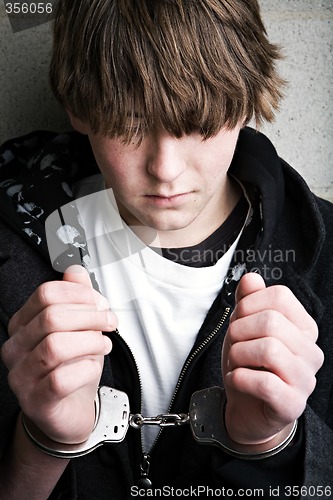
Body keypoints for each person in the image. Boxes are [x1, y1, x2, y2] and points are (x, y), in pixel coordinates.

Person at [0, 0, 332, 498]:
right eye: (129, 123)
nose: (165, 169)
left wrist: (273, 445)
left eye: (197, 120)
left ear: (244, 100)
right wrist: (43, 442)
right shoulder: (10, 252)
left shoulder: (326, 253)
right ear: (79, 108)